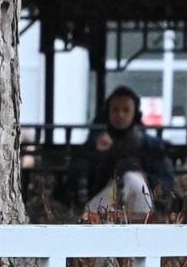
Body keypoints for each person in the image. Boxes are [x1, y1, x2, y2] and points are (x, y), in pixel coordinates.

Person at [66, 85, 174, 220]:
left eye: (126, 110)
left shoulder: (150, 145)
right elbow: (75, 179)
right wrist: (98, 154)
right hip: (102, 205)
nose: (120, 115)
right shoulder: (96, 142)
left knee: (132, 180)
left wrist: (141, 178)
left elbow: (166, 182)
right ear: (108, 112)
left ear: (134, 113)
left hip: (140, 203)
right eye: (115, 110)